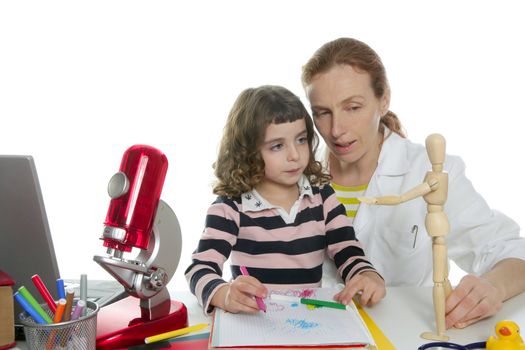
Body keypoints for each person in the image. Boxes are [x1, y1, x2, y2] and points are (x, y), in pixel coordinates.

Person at [301, 37, 525, 329]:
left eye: (353, 107)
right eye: (322, 113)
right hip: (310, 335)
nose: (337, 130)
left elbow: (510, 251)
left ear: (384, 100)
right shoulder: (296, 173)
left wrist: (493, 288)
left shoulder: (429, 172)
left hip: (401, 338)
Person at [185, 85, 385, 315]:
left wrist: (367, 275)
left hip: (309, 319)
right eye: (277, 146)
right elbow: (199, 268)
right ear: (247, 151)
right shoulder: (230, 208)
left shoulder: (322, 197)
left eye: (301, 140)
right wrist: (223, 293)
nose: (295, 154)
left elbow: (347, 249)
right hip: (255, 322)